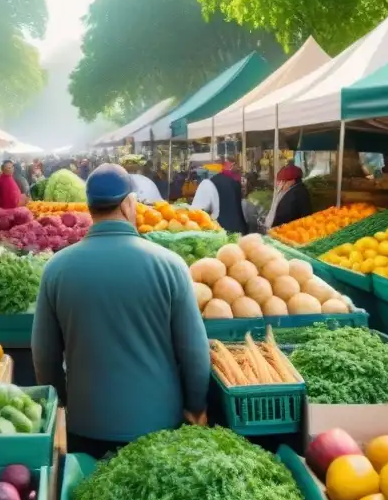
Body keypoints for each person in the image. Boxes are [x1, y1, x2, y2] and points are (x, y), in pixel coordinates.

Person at [32, 164, 210, 458]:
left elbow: (44, 353)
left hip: (87, 423)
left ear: (90, 209)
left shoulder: (57, 269)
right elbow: (194, 351)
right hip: (158, 425)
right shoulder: (169, 265)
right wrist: (195, 405)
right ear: (129, 204)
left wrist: (63, 402)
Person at [191, 162, 246, 233]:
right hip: (239, 230)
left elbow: (197, 212)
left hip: (219, 232)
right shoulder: (234, 183)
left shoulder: (207, 183)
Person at [267, 164, 313, 229]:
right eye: (279, 181)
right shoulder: (300, 189)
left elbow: (283, 217)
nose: (280, 184)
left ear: (292, 181)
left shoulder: (294, 195)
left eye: (283, 181)